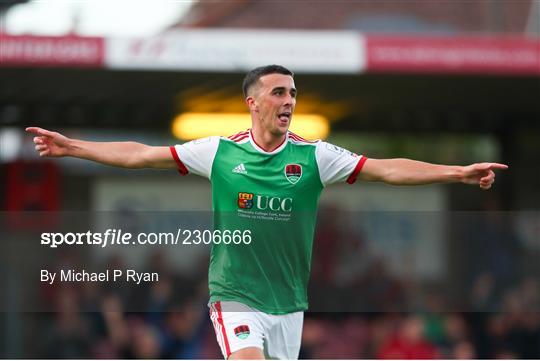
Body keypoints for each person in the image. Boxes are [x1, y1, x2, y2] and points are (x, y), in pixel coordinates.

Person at [27, 64, 507, 360]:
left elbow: (388, 169)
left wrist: (457, 172)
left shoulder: (315, 157)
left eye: (293, 94)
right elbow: (139, 154)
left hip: (289, 304)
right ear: (252, 102)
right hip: (234, 294)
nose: (289, 102)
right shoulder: (218, 152)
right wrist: (74, 148)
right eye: (279, 93)